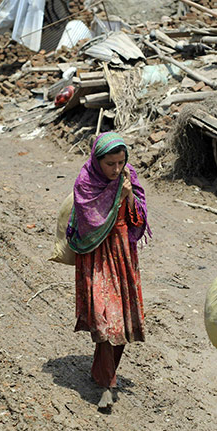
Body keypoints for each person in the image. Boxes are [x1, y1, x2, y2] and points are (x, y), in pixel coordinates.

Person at [66, 132, 150, 410]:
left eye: (121, 163)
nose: (116, 170)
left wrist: (126, 197)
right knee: (105, 318)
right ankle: (108, 384)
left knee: (122, 320)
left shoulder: (128, 177)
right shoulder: (85, 182)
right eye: (110, 164)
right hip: (95, 255)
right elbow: (89, 222)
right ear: (96, 160)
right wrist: (116, 198)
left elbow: (139, 218)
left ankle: (101, 372)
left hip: (123, 254)